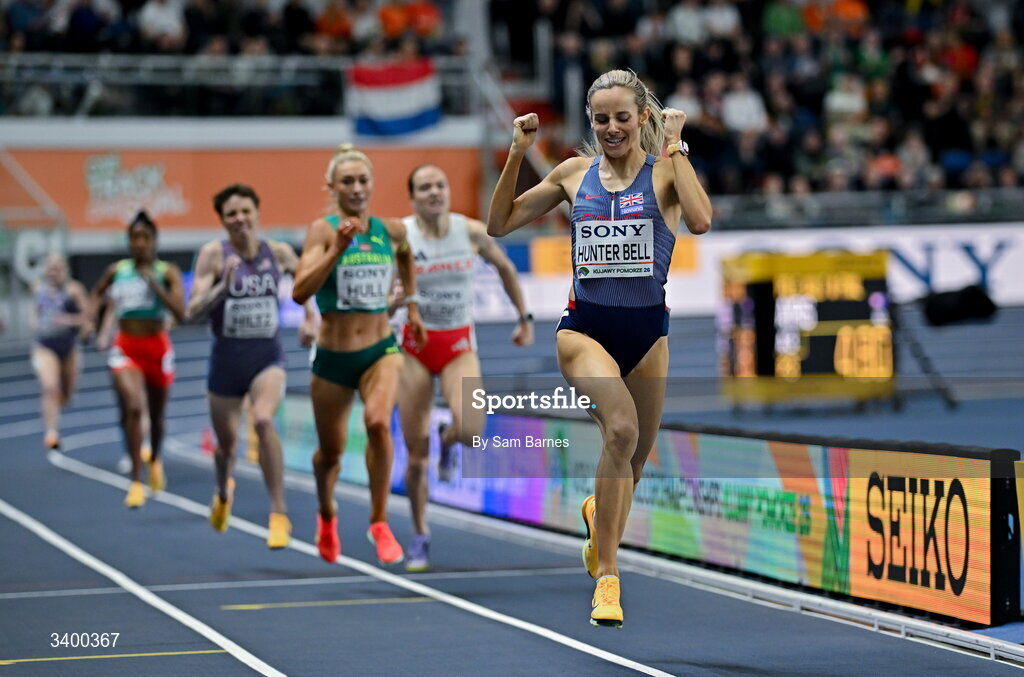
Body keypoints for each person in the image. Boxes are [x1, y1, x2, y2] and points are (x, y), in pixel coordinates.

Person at [487, 69, 712, 628]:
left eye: (620, 117)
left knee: (630, 466)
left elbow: (703, 221)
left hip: (647, 334)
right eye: (600, 118)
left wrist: (678, 147)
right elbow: (499, 223)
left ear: (642, 118)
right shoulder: (571, 174)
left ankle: (597, 513)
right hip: (583, 328)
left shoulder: (665, 174)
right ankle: (607, 578)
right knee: (622, 430)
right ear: (591, 121)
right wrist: (518, 151)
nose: (610, 128)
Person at [292, 143, 427, 566]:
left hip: (379, 347)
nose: (356, 188)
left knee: (377, 424)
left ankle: (379, 520)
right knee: (329, 453)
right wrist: (336, 250)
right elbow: (299, 293)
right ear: (331, 186)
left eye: (363, 180)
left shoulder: (392, 231)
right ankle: (327, 514)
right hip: (332, 357)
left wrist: (412, 305)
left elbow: (406, 256)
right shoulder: (322, 230)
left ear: (372, 185)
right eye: (347, 181)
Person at [396, 164, 534, 571]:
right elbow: (384, 289)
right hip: (413, 349)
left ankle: (449, 435)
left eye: (439, 184)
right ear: (413, 197)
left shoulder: (470, 231)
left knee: (472, 430)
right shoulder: (400, 235)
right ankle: (420, 535)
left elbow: (506, 268)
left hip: (457, 344)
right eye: (424, 187)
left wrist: (523, 317)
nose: (434, 192)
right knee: (417, 453)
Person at [188, 183, 319, 549]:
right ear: (223, 220)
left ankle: (279, 514)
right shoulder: (212, 255)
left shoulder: (276, 252)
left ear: (257, 213)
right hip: (226, 363)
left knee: (263, 421)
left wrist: (310, 317)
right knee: (226, 447)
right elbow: (191, 310)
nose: (240, 219)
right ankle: (222, 492)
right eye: (231, 214)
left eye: (245, 211)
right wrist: (222, 287)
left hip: (266, 358)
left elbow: (310, 282)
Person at [86, 210, 187, 508]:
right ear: (129, 241)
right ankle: (135, 480)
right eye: (135, 237)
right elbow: (97, 293)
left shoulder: (166, 271)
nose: (140, 243)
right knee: (133, 407)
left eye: (146, 237)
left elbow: (181, 313)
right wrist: (90, 320)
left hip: (156, 347)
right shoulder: (117, 270)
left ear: (155, 240)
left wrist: (153, 284)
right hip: (126, 346)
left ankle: (155, 459)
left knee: (156, 417)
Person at [30, 253, 88, 451]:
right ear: (45, 269)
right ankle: (51, 433)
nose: (54, 271)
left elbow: (87, 317)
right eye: (50, 267)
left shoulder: (74, 290)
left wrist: (69, 320)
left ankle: (57, 405)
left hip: (69, 346)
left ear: (64, 269)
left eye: (58, 267)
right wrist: (35, 324)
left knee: (67, 393)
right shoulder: (39, 288)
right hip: (45, 346)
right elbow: (34, 312)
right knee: (50, 387)